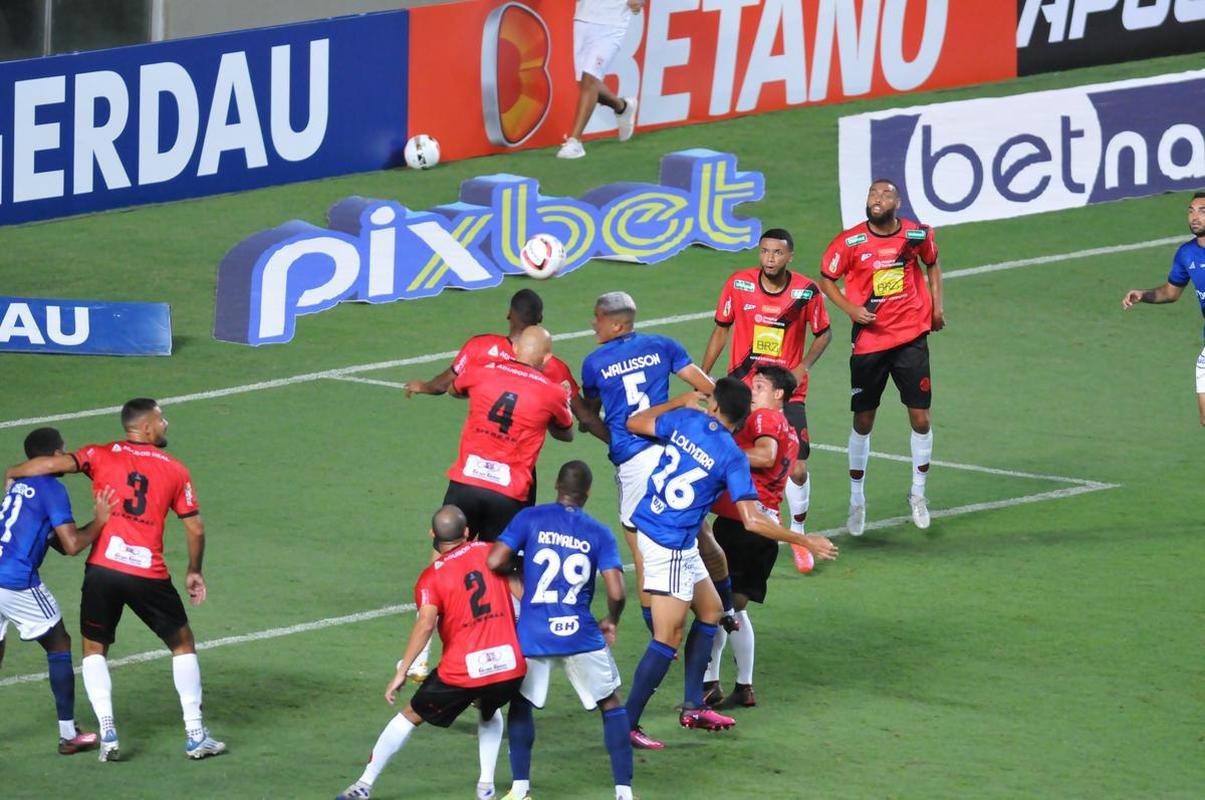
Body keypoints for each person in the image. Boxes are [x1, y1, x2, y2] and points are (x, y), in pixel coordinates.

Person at [3, 398, 225, 762]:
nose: (166, 424)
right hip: (146, 571)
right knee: (182, 643)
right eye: (161, 419)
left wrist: (12, 471)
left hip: (102, 570)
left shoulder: (98, 453)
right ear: (146, 426)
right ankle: (195, 733)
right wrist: (193, 569)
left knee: (93, 650)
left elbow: (47, 465)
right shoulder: (176, 469)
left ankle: (107, 732)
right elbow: (195, 528)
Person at [622, 378, 838, 747]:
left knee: (712, 611)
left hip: (665, 529)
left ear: (714, 406)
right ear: (743, 419)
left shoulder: (687, 421)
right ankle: (626, 724)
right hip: (669, 541)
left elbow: (635, 423)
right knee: (667, 638)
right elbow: (753, 521)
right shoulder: (732, 455)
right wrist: (804, 539)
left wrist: (679, 401)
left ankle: (693, 704)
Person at [336, 505, 526, 800]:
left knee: (409, 716)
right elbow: (520, 591)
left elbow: (425, 624)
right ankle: (485, 787)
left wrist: (402, 671)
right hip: (509, 665)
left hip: (462, 671)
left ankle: (364, 785)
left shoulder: (431, 577)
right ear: (466, 532)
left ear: (432, 535)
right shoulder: (490, 551)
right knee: (489, 709)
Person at [486, 460, 634, 800]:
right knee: (610, 703)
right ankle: (624, 792)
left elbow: (494, 561)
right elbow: (616, 591)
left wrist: (517, 581)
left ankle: (520, 787)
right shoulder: (599, 533)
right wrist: (611, 620)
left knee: (522, 703)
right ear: (588, 493)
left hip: (534, 631)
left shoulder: (530, 518)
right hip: (580, 633)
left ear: (556, 485)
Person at [580, 291, 715, 632]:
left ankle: (659, 635)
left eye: (597, 318)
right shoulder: (663, 345)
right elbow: (706, 387)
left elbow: (591, 417)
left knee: (641, 553)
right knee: (695, 534)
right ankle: (720, 608)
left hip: (635, 463)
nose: (593, 323)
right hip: (673, 456)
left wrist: (582, 413)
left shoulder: (594, 364)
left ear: (617, 324)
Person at [818, 179, 945, 536]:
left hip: (910, 338)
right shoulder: (850, 241)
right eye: (873, 194)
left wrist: (937, 307)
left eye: (885, 194)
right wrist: (850, 309)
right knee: (863, 420)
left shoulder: (917, 235)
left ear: (898, 202)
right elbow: (827, 278)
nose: (877, 199)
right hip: (869, 344)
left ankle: (918, 494)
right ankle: (857, 499)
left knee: (920, 418)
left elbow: (933, 265)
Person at [702, 228, 832, 538]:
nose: (769, 258)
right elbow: (721, 330)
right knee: (727, 455)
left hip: (785, 392)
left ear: (789, 256)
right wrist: (702, 377)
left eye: (776, 253)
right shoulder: (739, 283)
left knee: (797, 468)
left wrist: (803, 366)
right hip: (744, 390)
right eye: (764, 251)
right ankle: (730, 522)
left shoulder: (806, 292)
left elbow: (824, 333)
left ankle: (798, 531)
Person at [0, 427, 114, 755]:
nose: (68, 456)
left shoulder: (17, 484)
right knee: (59, 642)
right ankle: (68, 734)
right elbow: (73, 544)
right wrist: (101, 520)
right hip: (15, 580)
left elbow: (49, 539)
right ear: (53, 456)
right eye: (64, 451)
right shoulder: (52, 489)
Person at [703, 366, 801, 709]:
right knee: (725, 610)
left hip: (745, 530)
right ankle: (726, 684)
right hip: (754, 530)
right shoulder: (787, 428)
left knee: (716, 609)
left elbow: (766, 455)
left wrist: (718, 452)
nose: (753, 390)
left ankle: (715, 683)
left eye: (760, 386)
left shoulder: (768, 420)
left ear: (779, 395)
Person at [441, 325, 575, 541]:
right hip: (509, 492)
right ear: (547, 357)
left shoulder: (482, 371)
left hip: (466, 481)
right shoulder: (553, 392)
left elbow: (453, 389)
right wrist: (558, 405)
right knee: (500, 563)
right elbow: (566, 434)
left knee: (445, 549)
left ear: (514, 348)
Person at [1122, 190, 1205, 426]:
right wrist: (1143, 295)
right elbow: (1170, 293)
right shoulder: (1186, 253)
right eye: (1191, 211)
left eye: (1202, 212)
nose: (1195, 217)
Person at [557, 0, 643, 159]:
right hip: (583, 18)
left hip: (612, 22)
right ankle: (622, 106)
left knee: (589, 79)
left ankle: (575, 141)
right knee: (585, 84)